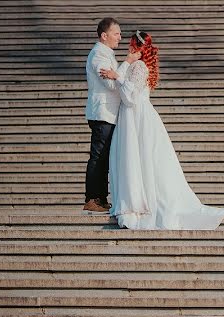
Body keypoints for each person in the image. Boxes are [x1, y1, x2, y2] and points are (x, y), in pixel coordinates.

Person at [100, 31, 224, 229]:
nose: (127, 46)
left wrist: (117, 76)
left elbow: (130, 97)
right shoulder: (139, 65)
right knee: (137, 159)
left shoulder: (140, 66)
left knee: (139, 158)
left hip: (137, 117)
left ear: (137, 47)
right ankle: (135, 200)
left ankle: (140, 203)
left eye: (131, 43)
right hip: (134, 116)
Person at [83, 17, 137, 213]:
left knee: (104, 157)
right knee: (98, 156)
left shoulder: (107, 54)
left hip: (109, 113)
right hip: (102, 112)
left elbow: (115, 78)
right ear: (104, 36)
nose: (120, 38)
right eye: (116, 34)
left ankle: (100, 198)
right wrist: (127, 62)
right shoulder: (98, 55)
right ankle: (91, 198)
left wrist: (118, 71)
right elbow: (111, 83)